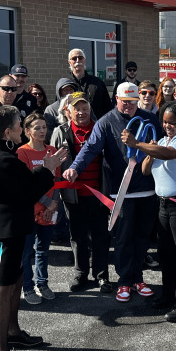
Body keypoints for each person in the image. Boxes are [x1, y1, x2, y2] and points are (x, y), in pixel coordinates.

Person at [0, 105, 67, 351]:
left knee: (15, 281)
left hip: (15, 229)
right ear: (8, 131)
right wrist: (48, 168)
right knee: (4, 290)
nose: (22, 128)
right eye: (19, 125)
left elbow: (22, 190)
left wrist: (46, 169)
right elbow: (28, 192)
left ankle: (14, 332)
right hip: (8, 231)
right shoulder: (3, 159)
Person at [64, 83, 162, 303]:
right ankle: (124, 281)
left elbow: (163, 146)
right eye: (124, 101)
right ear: (116, 99)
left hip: (148, 191)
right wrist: (75, 168)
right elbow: (90, 148)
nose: (128, 106)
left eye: (132, 101)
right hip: (121, 193)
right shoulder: (106, 122)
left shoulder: (150, 119)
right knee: (123, 239)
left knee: (142, 239)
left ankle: (138, 278)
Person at [122, 101, 176, 323]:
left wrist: (138, 144)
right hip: (164, 204)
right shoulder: (162, 141)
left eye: (172, 123)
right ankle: (168, 295)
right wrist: (148, 150)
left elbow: (168, 154)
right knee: (165, 254)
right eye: (165, 122)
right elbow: (146, 170)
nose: (167, 126)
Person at [51, 92, 111, 293]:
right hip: (72, 196)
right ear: (68, 111)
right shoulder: (61, 131)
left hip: (99, 194)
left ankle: (102, 275)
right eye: (77, 108)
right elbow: (53, 165)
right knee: (77, 236)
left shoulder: (100, 129)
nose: (82, 112)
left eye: (85, 108)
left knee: (100, 236)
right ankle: (81, 273)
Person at [17, 113, 62, 305]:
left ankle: (42, 283)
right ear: (27, 131)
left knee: (43, 250)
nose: (42, 131)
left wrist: (54, 204)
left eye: (44, 127)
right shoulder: (22, 153)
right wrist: (46, 202)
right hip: (30, 210)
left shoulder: (52, 150)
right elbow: (25, 185)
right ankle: (27, 287)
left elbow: (58, 181)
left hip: (49, 209)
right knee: (27, 252)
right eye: (37, 128)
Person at [67, 48, 111, 119]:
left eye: (80, 58)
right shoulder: (66, 84)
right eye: (74, 58)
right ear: (69, 62)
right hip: (73, 127)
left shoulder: (97, 83)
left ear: (84, 61)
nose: (78, 60)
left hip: (96, 126)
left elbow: (108, 107)